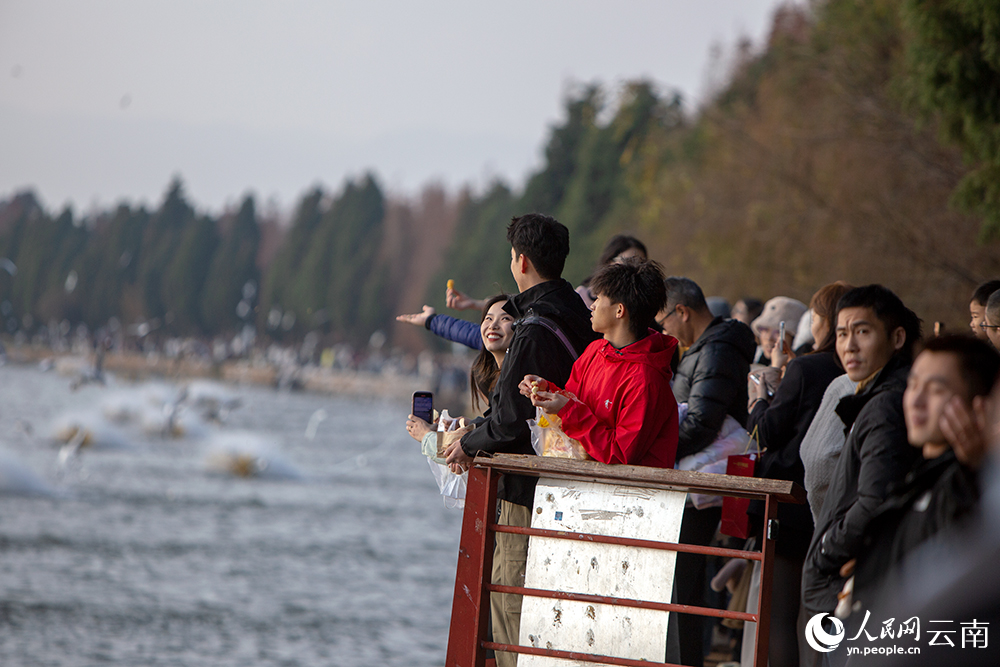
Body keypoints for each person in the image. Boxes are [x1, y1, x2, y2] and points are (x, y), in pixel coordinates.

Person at [444, 213, 598, 667]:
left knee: (512, 604)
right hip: (571, 483)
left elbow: (511, 422)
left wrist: (466, 443)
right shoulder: (578, 313)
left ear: (522, 261)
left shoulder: (533, 328)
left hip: (528, 489)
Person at [848, 335, 1000, 615]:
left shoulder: (967, 488)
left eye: (936, 390)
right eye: (913, 384)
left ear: (980, 406)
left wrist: (975, 469)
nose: (916, 400)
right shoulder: (918, 477)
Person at [744, 281, 852, 667]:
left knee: (779, 614)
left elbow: (765, 431)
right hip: (832, 509)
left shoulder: (806, 367)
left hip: (788, 507)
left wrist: (762, 393)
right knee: (817, 616)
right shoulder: (852, 372)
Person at [802, 285, 923, 622]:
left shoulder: (885, 406)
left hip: (857, 587)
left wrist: (826, 548)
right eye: (842, 334)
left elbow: (874, 500)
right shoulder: (877, 395)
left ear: (897, 338)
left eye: (863, 332)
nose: (849, 346)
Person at [657, 276, 756, 667]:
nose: (664, 330)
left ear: (682, 312)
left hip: (700, 481)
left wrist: (654, 453)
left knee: (682, 582)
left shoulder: (716, 351)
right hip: (697, 476)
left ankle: (683, 660)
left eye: (663, 321)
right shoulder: (706, 348)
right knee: (683, 580)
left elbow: (700, 423)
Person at [518, 258, 679, 468]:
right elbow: (574, 400)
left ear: (619, 311)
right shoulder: (596, 350)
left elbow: (620, 453)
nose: (592, 305)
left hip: (625, 487)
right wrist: (547, 391)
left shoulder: (646, 380)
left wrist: (566, 410)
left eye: (599, 298)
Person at [404, 295, 513, 457]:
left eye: (505, 318)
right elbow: (466, 332)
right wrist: (471, 425)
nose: (493, 325)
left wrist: (427, 437)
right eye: (488, 318)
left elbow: (502, 436)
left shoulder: (517, 379)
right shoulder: (495, 363)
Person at [574, 234, 648, 308]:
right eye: (628, 262)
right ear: (609, 262)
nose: (634, 268)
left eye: (641, 264)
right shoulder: (580, 298)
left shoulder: (645, 303)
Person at [750, 296, 808, 366]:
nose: (769, 338)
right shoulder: (754, 362)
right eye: (764, 329)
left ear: (794, 337)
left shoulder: (801, 368)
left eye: (778, 332)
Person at [396, 304, 482, 350]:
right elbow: (470, 334)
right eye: (488, 318)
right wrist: (431, 321)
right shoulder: (484, 339)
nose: (489, 327)